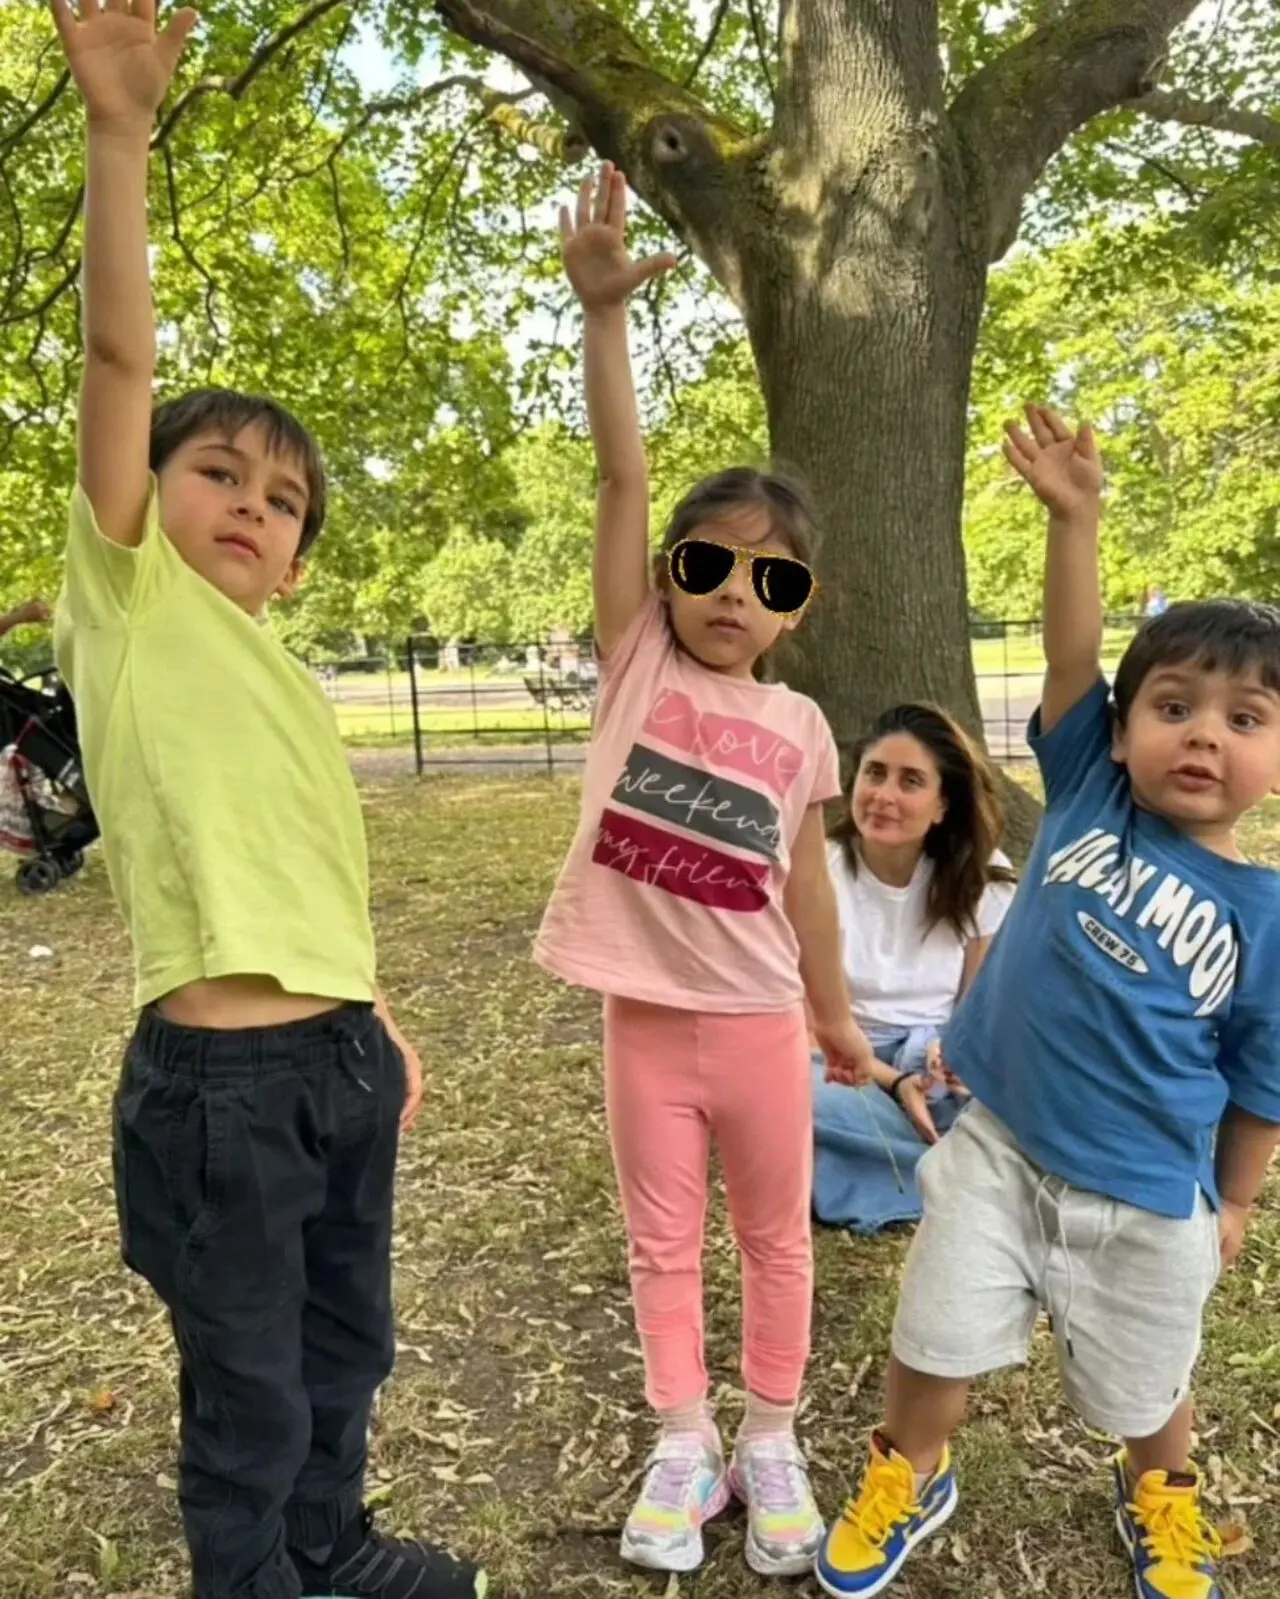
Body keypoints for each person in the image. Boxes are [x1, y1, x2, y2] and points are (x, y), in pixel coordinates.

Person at [48, 5, 484, 1597]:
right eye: (218, 470)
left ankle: (337, 1545)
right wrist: (119, 137)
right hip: (219, 1095)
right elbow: (118, 356)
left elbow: (303, 866)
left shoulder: (288, 674)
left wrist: (374, 1012)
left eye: (283, 496)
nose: (251, 501)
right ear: (146, 501)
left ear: (302, 559)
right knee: (246, 1390)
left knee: (344, 1340)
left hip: (337, 1061)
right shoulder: (129, 599)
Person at [816, 405, 1280, 1599]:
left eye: (1244, 720)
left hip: (1145, 1195)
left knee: (1148, 1377)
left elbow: (1260, 1075)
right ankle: (908, 1470)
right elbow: (1073, 660)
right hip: (1000, 1148)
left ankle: (1158, 1498)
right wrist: (1071, 520)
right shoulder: (1088, 797)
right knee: (929, 1338)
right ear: (1119, 736)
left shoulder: (1267, 914)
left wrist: (1230, 1200)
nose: (1201, 736)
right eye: (1172, 706)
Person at [535, 163, 877, 1580]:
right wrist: (603, 317)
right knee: (661, 1243)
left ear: (799, 610)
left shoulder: (800, 727)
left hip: (756, 1029)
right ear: (671, 573)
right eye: (712, 563)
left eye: (774, 580)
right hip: (642, 1023)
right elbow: (620, 471)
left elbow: (805, 883)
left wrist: (835, 1010)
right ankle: (686, 1439)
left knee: (775, 1239)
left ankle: (774, 1435)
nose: (738, 592)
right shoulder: (635, 657)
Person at [811, 703, 1016, 1233]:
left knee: (1025, 1084)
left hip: (933, 1062)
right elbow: (798, 1022)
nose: (883, 795)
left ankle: (920, 1157)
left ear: (943, 805)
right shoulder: (815, 869)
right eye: (875, 773)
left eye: (910, 781)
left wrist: (954, 1057)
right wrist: (894, 1080)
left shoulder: (984, 877)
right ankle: (953, 1173)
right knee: (784, 1088)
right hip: (839, 1064)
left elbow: (977, 1011)